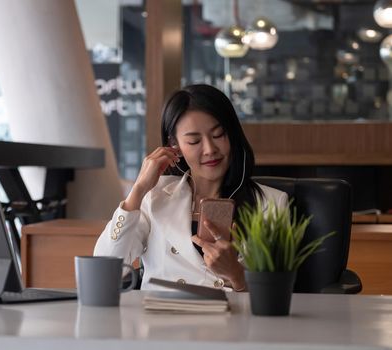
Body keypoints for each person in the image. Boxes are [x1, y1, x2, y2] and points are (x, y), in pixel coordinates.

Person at [94, 84, 288, 291]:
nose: (209, 149)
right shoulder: (153, 196)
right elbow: (106, 268)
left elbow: (276, 297)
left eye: (218, 135)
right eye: (194, 141)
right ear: (174, 144)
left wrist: (236, 275)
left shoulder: (272, 203)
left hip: (232, 321)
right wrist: (139, 189)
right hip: (160, 318)